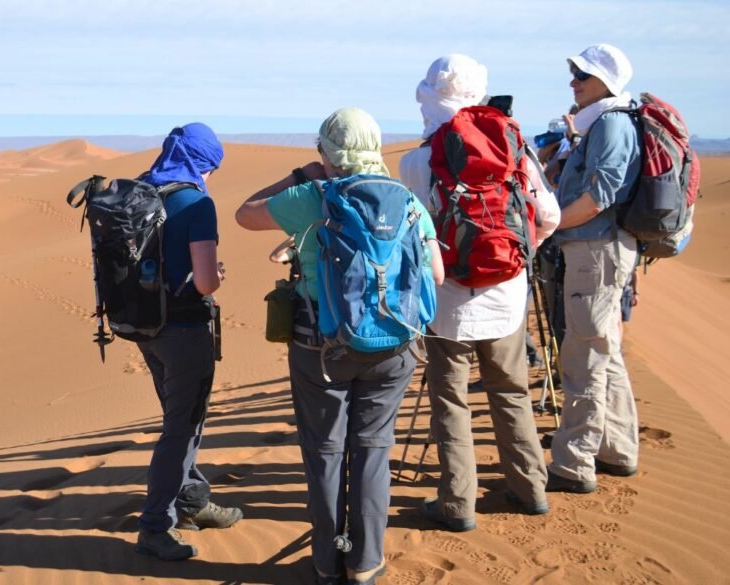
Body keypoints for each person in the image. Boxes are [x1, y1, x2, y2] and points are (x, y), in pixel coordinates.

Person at [236, 107, 444, 585]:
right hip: (394, 345)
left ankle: (328, 562)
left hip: (321, 348)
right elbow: (435, 274)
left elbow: (245, 214)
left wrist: (299, 175)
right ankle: (366, 562)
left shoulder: (312, 195)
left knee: (325, 453)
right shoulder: (408, 200)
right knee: (373, 450)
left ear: (327, 152)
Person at [397, 54, 561, 531]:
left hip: (446, 300)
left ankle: (457, 503)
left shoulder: (416, 160)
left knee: (451, 401)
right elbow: (547, 216)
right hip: (507, 296)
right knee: (510, 391)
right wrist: (514, 259)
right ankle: (530, 489)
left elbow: (415, 234)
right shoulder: (516, 147)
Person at [134, 123, 242, 561]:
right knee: (180, 428)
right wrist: (217, 277)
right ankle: (155, 525)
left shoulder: (137, 192)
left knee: (182, 419)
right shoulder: (197, 203)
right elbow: (204, 283)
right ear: (202, 162)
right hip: (183, 331)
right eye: (211, 167)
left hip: (144, 327)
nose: (210, 176)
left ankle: (193, 500)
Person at [547, 44, 642, 493]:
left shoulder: (611, 123)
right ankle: (617, 450)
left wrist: (547, 224)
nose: (573, 82)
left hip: (596, 252)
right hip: (595, 250)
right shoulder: (603, 123)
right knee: (606, 353)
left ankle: (573, 463)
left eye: (582, 75)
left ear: (605, 81)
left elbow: (600, 194)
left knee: (583, 357)